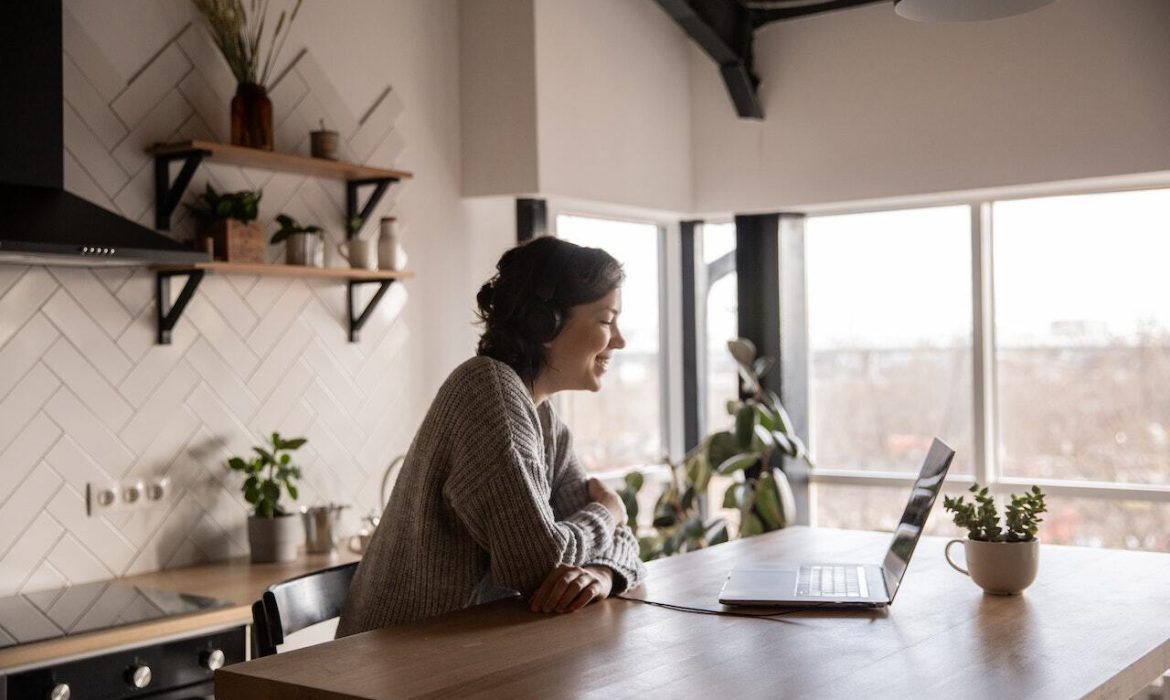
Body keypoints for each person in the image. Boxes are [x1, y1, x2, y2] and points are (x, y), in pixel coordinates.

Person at [337, 236, 647, 635]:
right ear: (545, 324)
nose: (619, 340)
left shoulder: (545, 419)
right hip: (386, 670)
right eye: (606, 321)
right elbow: (539, 565)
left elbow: (620, 544)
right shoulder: (488, 392)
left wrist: (603, 573)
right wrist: (608, 512)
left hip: (454, 655)